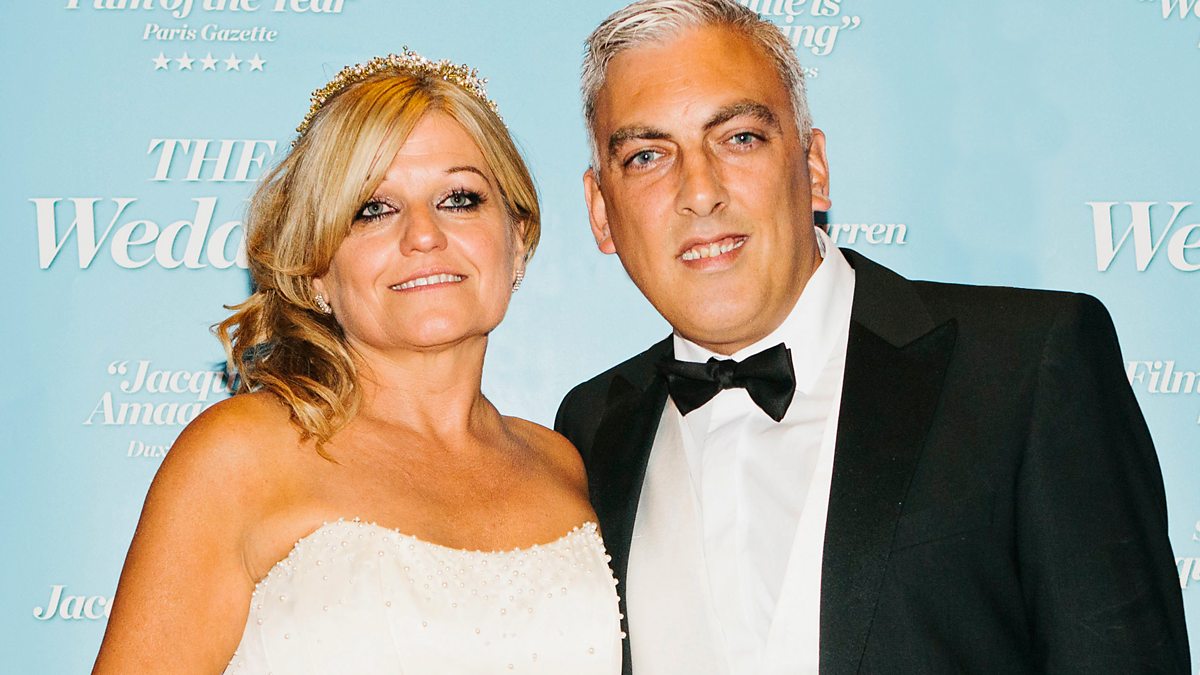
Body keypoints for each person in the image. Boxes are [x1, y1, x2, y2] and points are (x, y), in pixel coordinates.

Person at [555, 1, 1191, 673]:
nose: (700, 191)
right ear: (601, 212)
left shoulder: (1028, 367)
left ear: (814, 168)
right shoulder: (591, 429)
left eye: (739, 137)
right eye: (647, 156)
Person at [93, 51, 621, 674]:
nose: (423, 235)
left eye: (459, 199)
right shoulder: (239, 456)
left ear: (518, 238)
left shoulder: (563, 463)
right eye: (373, 209)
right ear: (317, 268)